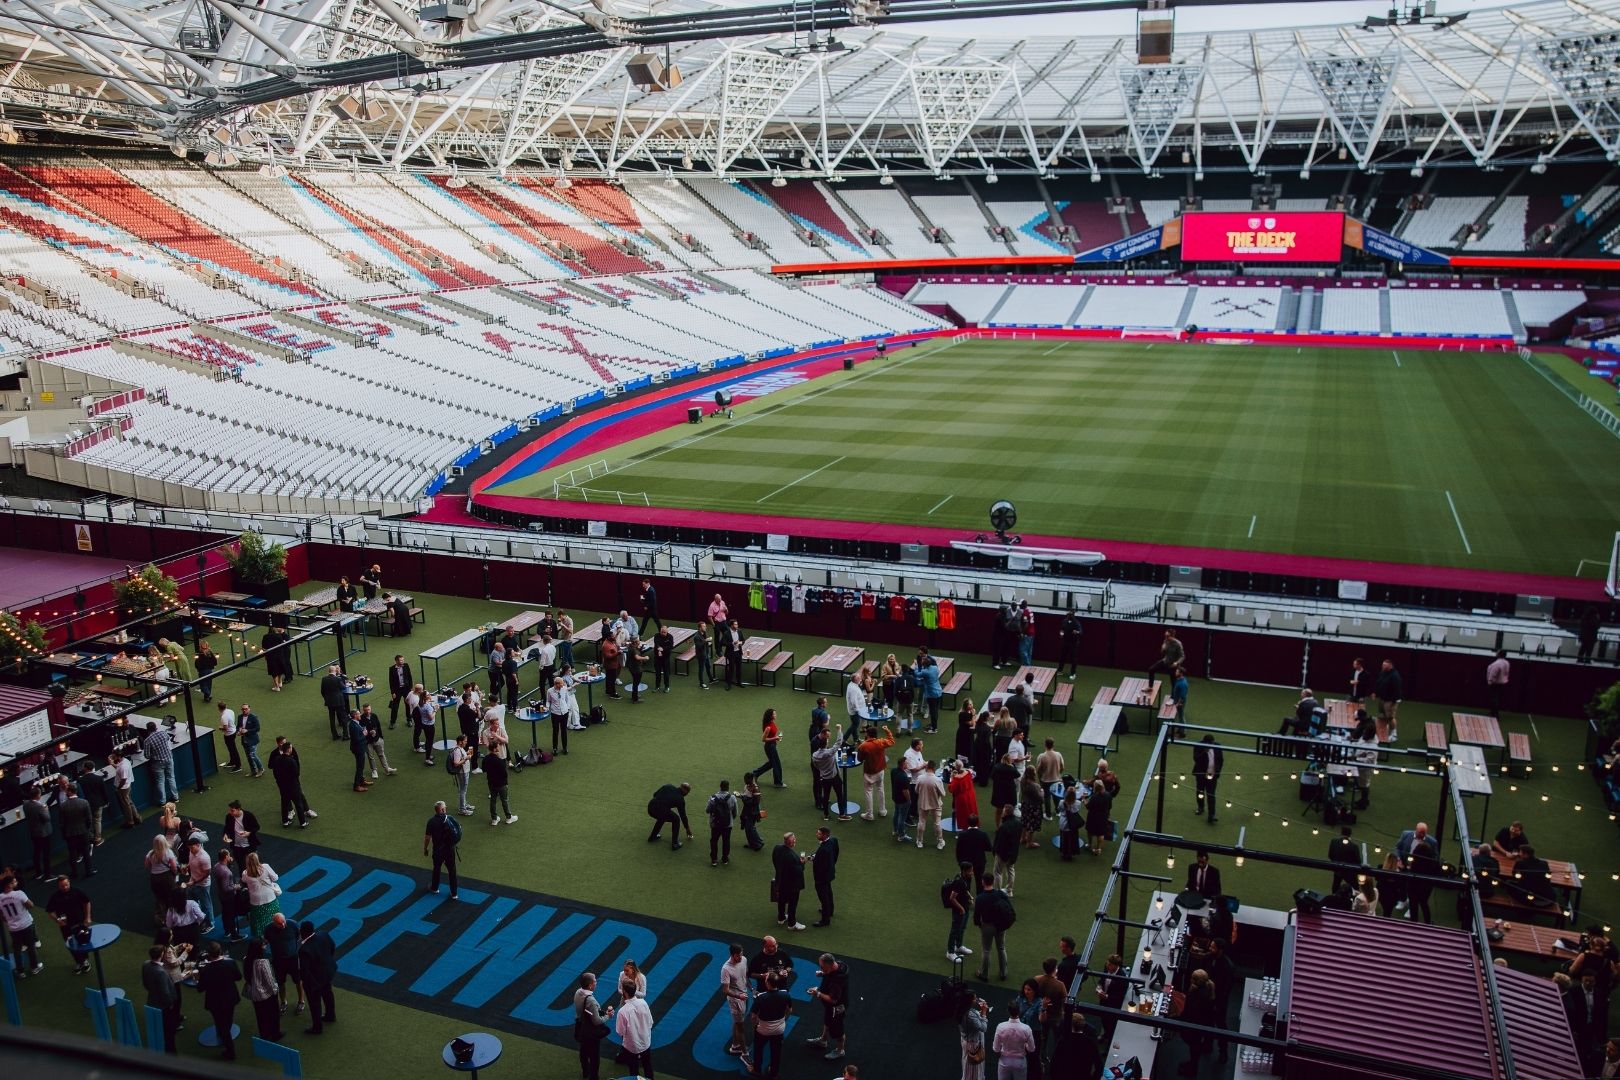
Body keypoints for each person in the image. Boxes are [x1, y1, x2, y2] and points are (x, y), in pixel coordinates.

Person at [195, 940, 242, 1059]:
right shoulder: (230, 963)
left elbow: (200, 989)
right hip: (230, 998)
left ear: (209, 954)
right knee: (228, 1020)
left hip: (215, 1002)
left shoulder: (206, 970)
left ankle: (230, 1051)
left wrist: (198, 978)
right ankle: (226, 1038)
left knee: (222, 1025)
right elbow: (238, 977)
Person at [750, 969, 793, 1078]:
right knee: (776, 1052)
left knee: (758, 1049)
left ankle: (756, 1070)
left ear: (767, 983)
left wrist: (755, 1025)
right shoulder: (785, 995)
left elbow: (753, 1016)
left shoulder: (761, 997)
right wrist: (783, 1019)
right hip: (779, 1029)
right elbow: (789, 1010)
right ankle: (774, 1073)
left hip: (763, 1029)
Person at [297, 919, 338, 1034]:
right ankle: (330, 1015)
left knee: (315, 1004)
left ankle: (317, 1028)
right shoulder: (323, 935)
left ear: (302, 932)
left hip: (314, 981)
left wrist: (306, 983)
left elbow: (304, 971)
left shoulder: (304, 950)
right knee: (328, 993)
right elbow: (332, 947)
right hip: (328, 973)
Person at [806, 952, 849, 1060]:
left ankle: (840, 1050)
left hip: (837, 1008)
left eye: (822, 967)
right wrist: (823, 973)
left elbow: (833, 1000)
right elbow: (831, 973)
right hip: (830, 1007)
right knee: (827, 1021)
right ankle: (823, 1041)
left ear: (830, 965)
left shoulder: (837, 982)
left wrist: (818, 994)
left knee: (838, 1029)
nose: (821, 968)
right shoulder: (840, 964)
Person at [972, 872, 1014, 983]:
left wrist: (978, 924)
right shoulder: (1000, 894)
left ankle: (984, 974)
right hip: (1001, 925)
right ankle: (1003, 973)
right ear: (993, 881)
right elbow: (1009, 907)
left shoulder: (980, 898)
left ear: (983, 882)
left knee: (986, 950)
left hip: (987, 926)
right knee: (1001, 948)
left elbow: (976, 916)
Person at [44, 876, 91, 973]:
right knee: (71, 944)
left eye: (66, 884)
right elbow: (50, 911)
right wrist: (57, 920)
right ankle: (79, 961)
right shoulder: (55, 896)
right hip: (66, 926)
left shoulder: (77, 891)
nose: (65, 887)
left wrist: (88, 917)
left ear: (69, 882)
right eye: (62, 886)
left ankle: (84, 961)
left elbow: (87, 902)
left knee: (82, 941)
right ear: (58, 886)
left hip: (80, 923)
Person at [574, 972, 614, 1080]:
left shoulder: (578, 992)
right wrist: (608, 1016)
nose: (596, 982)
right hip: (591, 1032)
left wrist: (597, 1012)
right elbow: (596, 1021)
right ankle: (594, 1077)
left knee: (583, 1052)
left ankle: (585, 1072)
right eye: (595, 981)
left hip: (581, 1028)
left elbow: (586, 1012)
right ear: (590, 985)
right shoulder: (591, 1000)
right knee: (594, 1057)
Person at [1178, 969, 1217, 1076]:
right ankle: (1192, 1065)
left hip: (1195, 1025)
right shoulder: (1206, 990)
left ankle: (1192, 1070)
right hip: (1200, 1024)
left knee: (1194, 1047)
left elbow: (1192, 1010)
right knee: (1194, 1048)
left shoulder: (1199, 994)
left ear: (1197, 981)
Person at [268, 737, 314, 828]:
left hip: (282, 785)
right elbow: (296, 773)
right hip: (293, 785)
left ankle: (285, 821)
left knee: (284, 803)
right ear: (289, 749)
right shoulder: (291, 760)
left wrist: (279, 781)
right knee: (298, 803)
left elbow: (274, 772)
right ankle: (302, 822)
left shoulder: (277, 759)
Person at [615, 976, 656, 1078]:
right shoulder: (644, 1003)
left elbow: (620, 1032)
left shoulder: (622, 1011)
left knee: (633, 1071)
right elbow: (650, 1022)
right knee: (647, 1066)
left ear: (625, 992)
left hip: (631, 1046)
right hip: (646, 1042)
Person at [143, 944, 181, 1052]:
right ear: (161, 955)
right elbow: (165, 993)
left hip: (152, 1000)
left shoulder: (146, 964)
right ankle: (170, 1053)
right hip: (164, 1006)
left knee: (159, 1027)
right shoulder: (161, 972)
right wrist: (170, 1003)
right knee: (168, 1031)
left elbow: (145, 983)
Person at [243, 938, 281, 1042]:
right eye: (263, 945)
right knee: (273, 1015)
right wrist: (275, 990)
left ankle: (264, 1035)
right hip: (267, 994)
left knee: (261, 1016)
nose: (265, 947)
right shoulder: (263, 962)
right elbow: (269, 980)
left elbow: (246, 976)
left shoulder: (246, 959)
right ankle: (275, 1034)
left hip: (254, 994)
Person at [992, 998, 1037, 1079]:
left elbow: (996, 1048)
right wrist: (1025, 1045)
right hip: (1020, 1062)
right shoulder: (1026, 1028)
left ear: (1008, 1011)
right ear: (1019, 1012)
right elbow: (1031, 1049)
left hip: (1004, 1061)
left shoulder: (1000, 1027)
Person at [857, 723, 895, 820]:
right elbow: (891, 741)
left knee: (868, 792)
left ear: (868, 734)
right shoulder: (881, 742)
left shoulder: (863, 746)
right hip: (880, 771)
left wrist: (860, 747)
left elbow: (860, 759)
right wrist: (887, 730)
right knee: (880, 789)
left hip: (869, 772)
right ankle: (882, 811)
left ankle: (869, 814)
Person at [721, 942, 751, 1059]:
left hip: (744, 995)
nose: (740, 957)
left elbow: (745, 976)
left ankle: (735, 1045)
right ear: (732, 955)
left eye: (741, 954)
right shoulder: (726, 969)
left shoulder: (743, 960)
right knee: (740, 1026)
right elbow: (725, 990)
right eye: (738, 955)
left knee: (737, 1021)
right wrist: (739, 997)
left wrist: (751, 989)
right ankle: (744, 1054)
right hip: (735, 1000)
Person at [811, 728, 848, 822]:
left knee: (826, 796)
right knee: (840, 795)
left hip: (824, 778)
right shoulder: (830, 752)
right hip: (834, 777)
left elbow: (816, 766)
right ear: (826, 744)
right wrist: (839, 730)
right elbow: (839, 742)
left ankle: (826, 815)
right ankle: (842, 814)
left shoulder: (814, 755)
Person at [58, 782, 93, 879]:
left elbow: (61, 823)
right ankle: (89, 871)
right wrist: (87, 829)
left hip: (70, 834)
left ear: (69, 792)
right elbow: (89, 819)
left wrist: (64, 834)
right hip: (83, 831)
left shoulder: (63, 806)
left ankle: (74, 873)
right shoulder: (84, 802)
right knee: (86, 852)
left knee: (72, 854)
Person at [772, 832, 806, 931]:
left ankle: (781, 918)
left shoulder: (777, 848)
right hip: (792, 885)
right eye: (794, 839)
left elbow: (774, 861)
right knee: (792, 904)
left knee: (781, 900)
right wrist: (802, 863)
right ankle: (792, 924)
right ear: (790, 842)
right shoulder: (792, 856)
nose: (795, 841)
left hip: (781, 881)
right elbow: (798, 872)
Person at [142, 721, 180, 806]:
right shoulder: (163, 733)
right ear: (155, 727)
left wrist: (153, 753)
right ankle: (175, 797)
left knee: (160, 781)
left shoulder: (147, 741)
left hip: (158, 763)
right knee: (171, 777)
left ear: (147, 730)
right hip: (169, 758)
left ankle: (163, 801)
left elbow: (147, 756)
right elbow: (167, 738)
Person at [647, 782, 693, 850]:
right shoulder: (680, 799)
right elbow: (683, 816)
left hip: (650, 807)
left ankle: (652, 837)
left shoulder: (668, 786)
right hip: (660, 811)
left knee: (663, 816)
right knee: (676, 819)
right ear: (685, 791)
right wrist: (687, 828)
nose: (687, 794)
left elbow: (655, 794)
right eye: (687, 792)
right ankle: (675, 844)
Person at [1405, 835, 1441, 923]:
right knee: (1424, 903)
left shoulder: (1415, 862)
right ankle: (1427, 922)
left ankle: (1413, 923)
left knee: (1413, 905)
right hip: (1426, 886)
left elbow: (1411, 870)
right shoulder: (1432, 863)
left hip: (1413, 885)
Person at [946, 861, 975, 963]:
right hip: (959, 910)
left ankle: (958, 946)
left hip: (965, 907)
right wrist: (961, 908)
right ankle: (950, 952)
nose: (972, 872)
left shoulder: (967, 878)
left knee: (962, 928)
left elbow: (966, 890)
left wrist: (969, 898)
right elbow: (952, 898)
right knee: (955, 930)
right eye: (970, 871)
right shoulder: (958, 881)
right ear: (964, 871)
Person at [810, 825, 839, 927]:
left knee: (824, 897)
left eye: (819, 833)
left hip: (821, 877)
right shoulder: (833, 841)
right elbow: (836, 852)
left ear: (824, 835)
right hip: (829, 874)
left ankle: (825, 920)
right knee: (829, 892)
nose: (817, 834)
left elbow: (819, 864)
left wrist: (814, 859)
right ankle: (829, 911)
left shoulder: (823, 850)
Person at [915, 760, 946, 851]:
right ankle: (940, 842)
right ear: (934, 768)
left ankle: (919, 841)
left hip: (923, 803)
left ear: (926, 767)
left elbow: (916, 791)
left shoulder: (920, 778)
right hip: (936, 804)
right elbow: (943, 794)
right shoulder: (937, 780)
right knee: (937, 823)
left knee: (921, 822)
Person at [750, 709, 786, 788]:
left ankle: (755, 774)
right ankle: (778, 782)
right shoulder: (768, 727)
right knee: (776, 764)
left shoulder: (772, 723)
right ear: (771, 716)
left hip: (772, 745)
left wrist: (777, 737)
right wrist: (775, 738)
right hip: (770, 747)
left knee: (772, 763)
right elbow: (763, 739)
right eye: (774, 714)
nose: (776, 715)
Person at [992, 805, 1022, 898]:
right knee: (1010, 870)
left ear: (1006, 813)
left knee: (997, 872)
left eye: (1003, 811)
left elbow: (999, 842)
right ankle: (1009, 891)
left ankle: (997, 892)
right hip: (1013, 853)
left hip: (1002, 854)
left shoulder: (1003, 827)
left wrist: (995, 851)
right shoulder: (1018, 824)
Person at [708, 779, 739, 866]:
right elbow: (735, 812)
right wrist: (730, 819)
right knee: (726, 841)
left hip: (715, 823)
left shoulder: (713, 797)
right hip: (727, 824)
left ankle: (714, 859)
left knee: (714, 841)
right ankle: (725, 858)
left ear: (720, 786)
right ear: (728, 787)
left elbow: (707, 810)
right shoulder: (732, 798)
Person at [362, 704, 397, 781]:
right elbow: (361, 731)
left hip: (377, 739)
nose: (367, 711)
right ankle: (374, 770)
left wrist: (381, 737)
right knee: (371, 757)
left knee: (381, 754)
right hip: (368, 742)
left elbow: (378, 726)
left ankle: (387, 769)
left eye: (368, 709)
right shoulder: (361, 719)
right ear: (363, 710)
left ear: (371, 709)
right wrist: (368, 733)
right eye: (365, 710)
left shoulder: (374, 715)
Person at [1192, 734, 1222, 824]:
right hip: (1201, 775)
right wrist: (1204, 752)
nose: (1211, 745)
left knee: (1211, 795)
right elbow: (1196, 759)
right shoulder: (1198, 746)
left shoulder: (1217, 747)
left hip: (1212, 776)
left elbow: (1220, 760)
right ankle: (1200, 807)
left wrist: (1217, 772)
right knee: (1200, 792)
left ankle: (1211, 815)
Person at [956, 813, 992, 884]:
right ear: (977, 823)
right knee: (979, 882)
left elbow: (958, 850)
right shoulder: (983, 834)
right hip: (979, 862)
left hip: (966, 862)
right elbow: (989, 848)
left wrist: (960, 862)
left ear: (968, 823)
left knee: (966, 884)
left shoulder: (962, 835)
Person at [961, 995, 991, 1080]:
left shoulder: (963, 1010)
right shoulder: (969, 1015)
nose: (976, 1000)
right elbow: (983, 1028)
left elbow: (975, 1021)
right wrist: (984, 1013)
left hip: (967, 1041)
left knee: (968, 1066)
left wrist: (981, 1012)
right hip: (973, 1044)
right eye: (974, 998)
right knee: (974, 1068)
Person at [485, 748, 516, 825]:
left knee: (493, 800)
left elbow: (484, 769)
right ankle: (508, 818)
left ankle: (494, 819)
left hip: (491, 783)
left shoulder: (486, 759)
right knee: (504, 800)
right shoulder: (499, 761)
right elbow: (505, 774)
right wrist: (506, 783)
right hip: (501, 784)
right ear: (495, 749)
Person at [1373, 659, 1403, 740]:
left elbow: (1397, 689)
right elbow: (1379, 682)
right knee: (1382, 715)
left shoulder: (1395, 676)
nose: (1383, 667)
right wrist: (1375, 692)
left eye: (1385, 665)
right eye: (1383, 665)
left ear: (1390, 666)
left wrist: (1393, 702)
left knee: (1390, 717)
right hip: (1382, 699)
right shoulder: (1383, 673)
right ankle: (1382, 731)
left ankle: (1394, 734)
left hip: (1390, 701)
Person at [1084, 780, 1112, 856]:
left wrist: (1084, 799)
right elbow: (1109, 806)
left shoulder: (1094, 797)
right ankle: (1098, 849)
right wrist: (1108, 815)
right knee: (1101, 833)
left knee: (1090, 831)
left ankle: (1090, 845)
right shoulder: (1108, 795)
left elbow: (1088, 807)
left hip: (1093, 817)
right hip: (1103, 816)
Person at [320, 664, 347, 741]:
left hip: (329, 702)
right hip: (339, 701)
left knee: (332, 718)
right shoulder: (338, 679)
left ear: (329, 671)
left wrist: (327, 699)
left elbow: (322, 691)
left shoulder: (324, 679)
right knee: (343, 717)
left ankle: (334, 735)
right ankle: (345, 735)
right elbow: (343, 687)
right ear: (335, 671)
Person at [262, 623, 292, 691]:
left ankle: (276, 686)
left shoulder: (265, 636)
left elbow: (264, 648)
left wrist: (265, 655)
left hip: (270, 656)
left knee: (273, 671)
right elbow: (282, 645)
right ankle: (280, 682)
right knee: (279, 669)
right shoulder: (279, 636)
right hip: (279, 655)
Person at [387, 655, 413, 729]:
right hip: (397, 690)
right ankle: (392, 722)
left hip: (406, 689)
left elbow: (410, 676)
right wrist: (393, 692)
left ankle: (409, 720)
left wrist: (410, 688)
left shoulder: (406, 666)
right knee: (395, 707)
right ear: (396, 661)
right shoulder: (391, 669)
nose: (402, 661)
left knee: (408, 705)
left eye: (403, 660)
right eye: (401, 660)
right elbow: (391, 681)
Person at [740, 776, 765, 851]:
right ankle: (753, 843)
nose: (744, 781)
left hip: (753, 811)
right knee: (749, 828)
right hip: (747, 809)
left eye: (746, 779)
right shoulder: (747, 786)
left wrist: (744, 798)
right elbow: (745, 795)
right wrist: (741, 796)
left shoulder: (755, 788)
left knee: (749, 828)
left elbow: (756, 802)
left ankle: (758, 843)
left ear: (750, 779)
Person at [1057, 609, 1083, 679]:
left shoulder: (1076, 623)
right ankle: (1060, 671)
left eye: (1070, 614)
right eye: (1068, 614)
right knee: (1062, 657)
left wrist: (1076, 632)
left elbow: (1080, 632)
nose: (1068, 615)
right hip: (1065, 642)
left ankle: (1073, 673)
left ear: (1073, 615)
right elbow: (1062, 630)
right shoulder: (1064, 621)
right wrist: (1061, 634)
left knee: (1073, 659)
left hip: (1073, 644)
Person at [240, 704, 264, 778]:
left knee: (253, 755)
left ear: (249, 709)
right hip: (244, 740)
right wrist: (239, 730)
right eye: (243, 709)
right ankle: (253, 770)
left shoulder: (253, 717)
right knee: (248, 756)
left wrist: (247, 731)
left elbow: (257, 728)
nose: (244, 710)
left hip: (253, 740)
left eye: (246, 709)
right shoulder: (240, 717)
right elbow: (238, 726)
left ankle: (261, 769)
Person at [1485, 650, 1510, 719]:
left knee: (1495, 698)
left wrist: (1490, 681)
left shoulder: (1497, 664)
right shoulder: (1506, 663)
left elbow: (1493, 673)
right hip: (1502, 682)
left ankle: (1495, 714)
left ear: (1499, 655)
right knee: (1497, 698)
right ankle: (1493, 712)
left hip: (1496, 683)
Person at [652, 625, 674, 693]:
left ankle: (667, 687)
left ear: (667, 631)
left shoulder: (670, 637)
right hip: (657, 658)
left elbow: (670, 646)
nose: (663, 633)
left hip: (666, 658)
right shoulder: (656, 636)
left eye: (664, 632)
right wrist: (659, 649)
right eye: (662, 632)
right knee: (657, 673)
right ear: (660, 631)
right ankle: (657, 686)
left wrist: (663, 649)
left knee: (666, 673)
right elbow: (656, 644)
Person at [724, 619, 745, 689]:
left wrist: (741, 642)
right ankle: (729, 684)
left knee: (739, 668)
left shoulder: (739, 631)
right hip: (731, 653)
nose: (737, 626)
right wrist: (733, 643)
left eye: (737, 624)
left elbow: (743, 640)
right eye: (735, 624)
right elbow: (723, 643)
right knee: (731, 669)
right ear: (731, 625)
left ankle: (739, 682)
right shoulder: (727, 633)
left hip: (738, 652)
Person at [695, 621, 715, 689]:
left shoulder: (704, 633)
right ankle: (701, 683)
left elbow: (705, 642)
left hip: (706, 653)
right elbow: (699, 646)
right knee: (701, 669)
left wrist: (708, 642)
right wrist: (706, 641)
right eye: (704, 626)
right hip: (701, 655)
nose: (705, 627)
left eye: (705, 626)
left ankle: (711, 679)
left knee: (708, 666)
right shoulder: (696, 636)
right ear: (700, 628)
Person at [626, 637, 646, 705]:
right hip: (636, 668)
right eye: (638, 641)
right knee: (636, 683)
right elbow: (637, 657)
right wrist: (645, 658)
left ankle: (634, 695)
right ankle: (635, 698)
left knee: (635, 683)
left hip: (632, 668)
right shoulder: (634, 649)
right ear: (635, 643)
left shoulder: (631, 647)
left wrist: (640, 648)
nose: (639, 642)